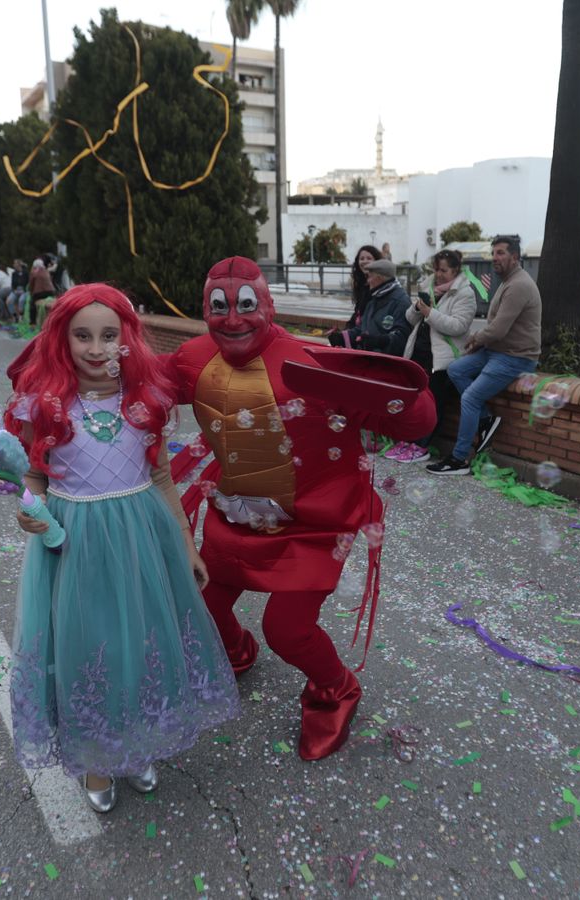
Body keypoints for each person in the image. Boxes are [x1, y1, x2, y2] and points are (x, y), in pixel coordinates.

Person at [164, 256, 436, 760]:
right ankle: (236, 653)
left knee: (287, 629)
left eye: (245, 306)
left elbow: (416, 422)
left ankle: (337, 688)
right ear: (205, 310)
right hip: (234, 517)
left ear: (266, 305)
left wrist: (397, 393)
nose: (233, 320)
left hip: (311, 524)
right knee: (201, 604)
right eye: (218, 308)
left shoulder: (309, 364)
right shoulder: (190, 358)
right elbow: (133, 387)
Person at [0, 284, 237, 813]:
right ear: (62, 338)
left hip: (142, 540)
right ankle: (96, 758)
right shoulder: (46, 405)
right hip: (75, 545)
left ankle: (137, 744)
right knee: (89, 649)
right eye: (83, 336)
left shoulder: (144, 400)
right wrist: (29, 508)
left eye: (109, 335)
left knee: (140, 644)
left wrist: (186, 544)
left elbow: (164, 479)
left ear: (127, 339)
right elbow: (34, 473)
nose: (97, 348)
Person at [427, 235, 540, 476]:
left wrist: (475, 340)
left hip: (515, 357)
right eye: (493, 253)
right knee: (456, 370)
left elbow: (498, 329)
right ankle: (486, 419)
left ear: (515, 257)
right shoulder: (508, 280)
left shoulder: (519, 285)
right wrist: (480, 343)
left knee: (469, 398)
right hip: (496, 350)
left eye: (501, 253)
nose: (495, 258)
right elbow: (497, 328)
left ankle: (459, 459)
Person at [390, 248, 476, 463]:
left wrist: (430, 313)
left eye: (444, 270)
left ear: (456, 270)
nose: (438, 274)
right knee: (414, 402)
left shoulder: (464, 293)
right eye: (436, 269)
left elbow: (459, 326)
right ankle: (408, 441)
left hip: (441, 359)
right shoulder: (428, 286)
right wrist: (418, 308)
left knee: (432, 403)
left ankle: (422, 445)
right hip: (418, 352)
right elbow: (410, 319)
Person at [335, 258, 410, 355]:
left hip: (386, 363)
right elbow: (361, 328)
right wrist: (342, 337)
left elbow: (401, 338)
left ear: (380, 278)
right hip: (367, 358)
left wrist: (379, 341)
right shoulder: (373, 300)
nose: (368, 281)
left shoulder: (400, 301)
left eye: (369, 277)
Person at [344, 245, 386, 339]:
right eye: (361, 258)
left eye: (369, 258)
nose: (364, 261)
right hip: (359, 329)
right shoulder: (361, 283)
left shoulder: (380, 286)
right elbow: (358, 312)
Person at [28, 258, 56, 327]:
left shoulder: (34, 272)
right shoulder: (46, 271)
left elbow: (31, 284)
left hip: (40, 292)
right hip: (51, 292)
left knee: (32, 305)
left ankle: (33, 323)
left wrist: (31, 293)